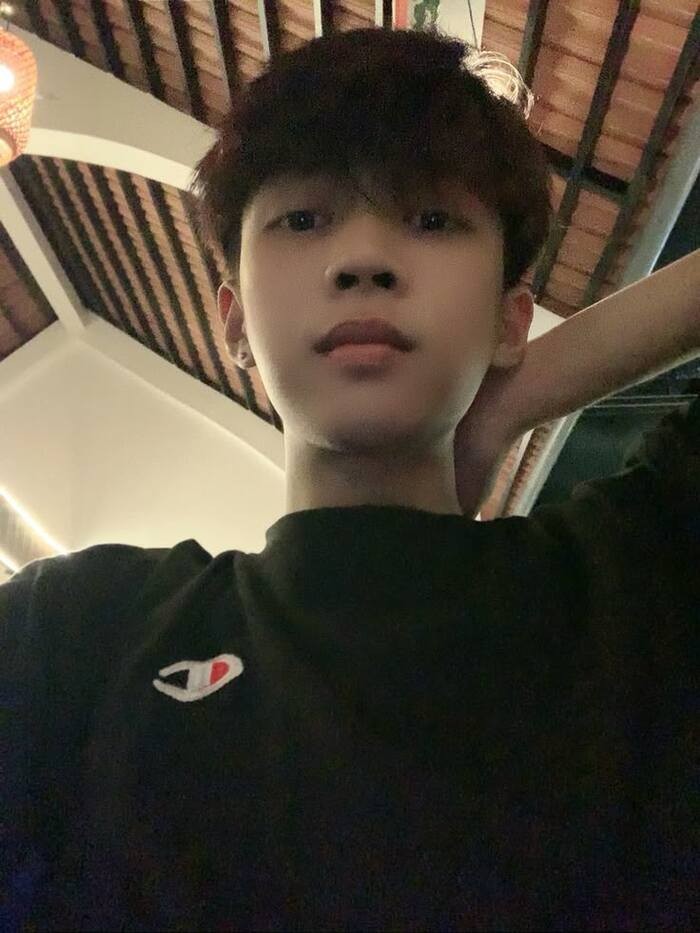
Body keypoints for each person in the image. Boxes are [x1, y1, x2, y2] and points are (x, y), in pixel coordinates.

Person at [1, 26, 698, 932]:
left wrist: (515, 398)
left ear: (511, 319)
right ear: (235, 324)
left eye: (432, 220)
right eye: (303, 219)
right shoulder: (77, 627)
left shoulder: (639, 577)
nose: (363, 259)